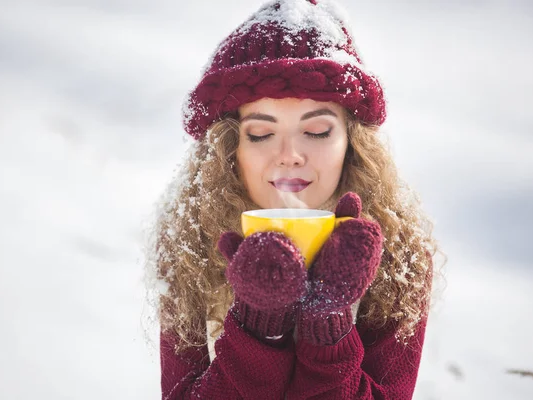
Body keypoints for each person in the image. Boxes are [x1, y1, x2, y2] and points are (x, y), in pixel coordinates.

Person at [154, 0, 440, 398]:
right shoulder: (192, 244)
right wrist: (258, 326)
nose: (290, 153)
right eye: (260, 133)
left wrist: (329, 323)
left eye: (318, 130)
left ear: (352, 143)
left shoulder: (395, 249)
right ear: (228, 148)